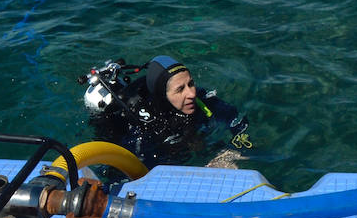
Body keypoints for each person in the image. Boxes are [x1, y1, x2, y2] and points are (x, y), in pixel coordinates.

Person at [82, 55, 250, 168]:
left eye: (190, 84)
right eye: (180, 90)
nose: (191, 93)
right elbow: (139, 168)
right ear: (163, 95)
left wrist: (237, 145)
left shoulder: (199, 97)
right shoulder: (146, 125)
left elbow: (233, 116)